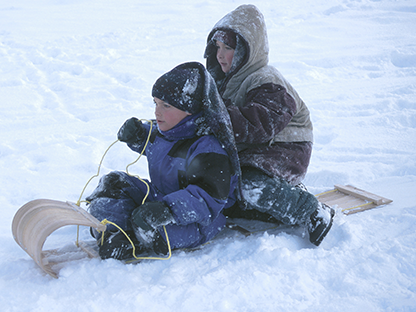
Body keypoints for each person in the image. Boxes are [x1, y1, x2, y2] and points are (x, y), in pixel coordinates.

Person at [204, 4, 334, 246]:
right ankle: (257, 204)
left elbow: (260, 124)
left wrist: (216, 115)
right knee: (222, 178)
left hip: (286, 149)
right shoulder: (223, 81)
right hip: (253, 148)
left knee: (249, 184)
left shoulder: (266, 79)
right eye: (217, 48)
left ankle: (309, 210)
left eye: (228, 48)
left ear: (246, 50)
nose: (220, 55)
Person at [86, 62, 240, 260]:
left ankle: (134, 238)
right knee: (114, 182)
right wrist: (137, 135)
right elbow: (155, 143)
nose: (157, 112)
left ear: (190, 109)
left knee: (158, 233)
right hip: (161, 196)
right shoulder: (167, 130)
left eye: (166, 105)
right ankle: (114, 231)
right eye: (156, 103)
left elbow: (208, 198)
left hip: (198, 219)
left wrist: (168, 210)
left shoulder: (209, 150)